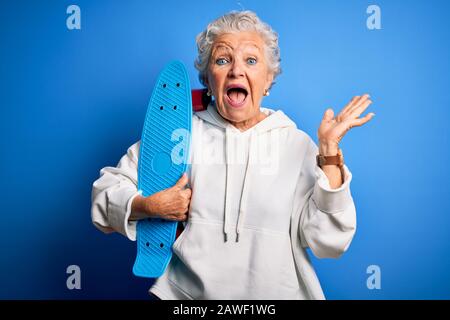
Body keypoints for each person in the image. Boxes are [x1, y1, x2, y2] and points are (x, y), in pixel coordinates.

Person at [91, 10, 375, 300]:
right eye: (223, 60)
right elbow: (104, 195)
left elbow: (330, 241)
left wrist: (329, 152)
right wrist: (148, 206)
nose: (237, 70)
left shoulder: (296, 145)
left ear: (268, 80)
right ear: (209, 81)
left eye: (251, 61)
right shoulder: (179, 133)